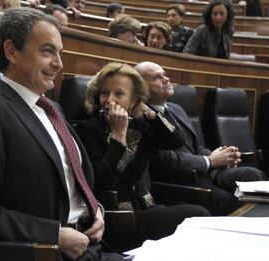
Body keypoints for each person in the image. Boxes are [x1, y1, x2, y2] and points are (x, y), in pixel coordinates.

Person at [0, 8, 135, 261]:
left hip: (90, 251)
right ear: (12, 52)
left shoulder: (53, 109)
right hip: (42, 260)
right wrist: (55, 235)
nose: (59, 63)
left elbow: (76, 181)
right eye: (48, 51)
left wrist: (97, 211)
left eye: (60, 52)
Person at [75, 62, 210, 250]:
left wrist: (152, 114)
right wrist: (118, 136)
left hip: (145, 207)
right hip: (116, 217)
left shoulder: (140, 124)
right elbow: (102, 180)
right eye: (104, 93)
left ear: (134, 101)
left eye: (119, 94)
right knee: (198, 214)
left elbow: (177, 140)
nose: (109, 100)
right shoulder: (87, 129)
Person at [135, 61, 266, 215]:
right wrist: (210, 161)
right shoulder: (144, 118)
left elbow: (198, 147)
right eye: (157, 77)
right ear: (141, 86)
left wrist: (223, 157)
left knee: (254, 176)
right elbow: (167, 160)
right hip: (184, 180)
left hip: (207, 172)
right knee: (230, 200)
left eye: (165, 74)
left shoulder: (176, 109)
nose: (166, 79)